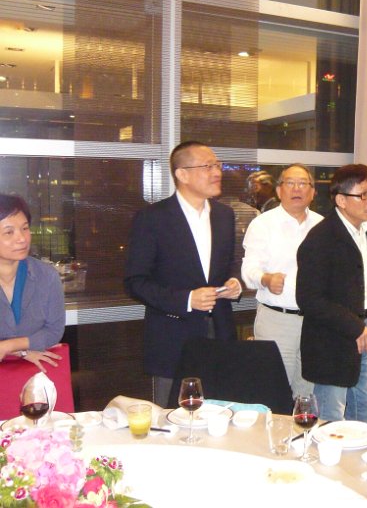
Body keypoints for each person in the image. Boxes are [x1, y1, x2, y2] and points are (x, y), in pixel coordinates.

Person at [124, 141, 242, 407]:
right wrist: (187, 299)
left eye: (217, 165)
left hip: (220, 333)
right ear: (182, 174)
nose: (217, 172)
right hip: (173, 338)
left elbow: (228, 264)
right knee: (172, 416)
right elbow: (135, 281)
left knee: (220, 412)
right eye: (208, 166)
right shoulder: (152, 218)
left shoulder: (224, 215)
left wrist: (234, 282)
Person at [296, 164, 367, 422]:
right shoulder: (321, 238)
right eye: (363, 195)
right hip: (333, 339)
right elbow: (309, 299)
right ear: (341, 200)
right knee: (330, 419)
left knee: (366, 411)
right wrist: (355, 327)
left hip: (366, 328)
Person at [241, 163, 322, 398]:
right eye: (290, 183)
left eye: (303, 183)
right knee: (274, 390)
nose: (297, 188)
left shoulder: (323, 225)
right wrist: (265, 279)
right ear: (279, 190)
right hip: (276, 320)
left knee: (308, 394)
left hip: (314, 322)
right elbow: (248, 269)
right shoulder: (263, 224)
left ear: (313, 192)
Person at [0, 194, 64, 372]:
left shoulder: (47, 276)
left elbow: (54, 331)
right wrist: (21, 352)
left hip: (32, 373)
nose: (22, 238)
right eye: (9, 232)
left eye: (25, 228)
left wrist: (9, 346)